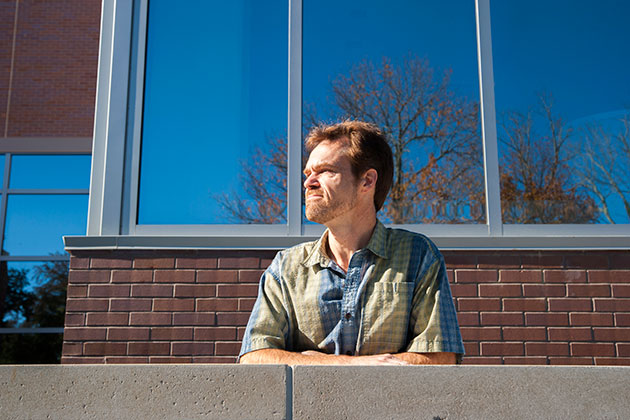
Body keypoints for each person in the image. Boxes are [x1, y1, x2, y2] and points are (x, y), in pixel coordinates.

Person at [239, 120, 464, 365]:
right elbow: (254, 358)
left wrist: (308, 362)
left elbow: (441, 358)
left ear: (367, 181)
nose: (308, 183)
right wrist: (350, 365)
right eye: (307, 174)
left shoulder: (417, 255)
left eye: (325, 171)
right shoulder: (287, 267)